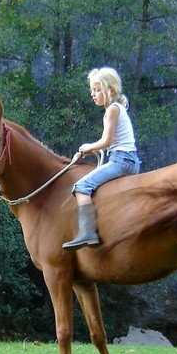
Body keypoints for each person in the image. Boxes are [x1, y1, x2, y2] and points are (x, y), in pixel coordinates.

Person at [63, 67, 141, 250]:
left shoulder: (112, 109)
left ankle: (87, 232)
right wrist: (89, 151)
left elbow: (106, 142)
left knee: (81, 187)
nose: (93, 94)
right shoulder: (116, 108)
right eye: (92, 90)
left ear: (111, 90)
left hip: (121, 161)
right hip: (127, 159)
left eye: (97, 90)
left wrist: (87, 146)